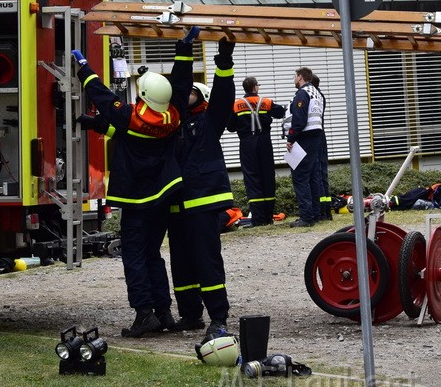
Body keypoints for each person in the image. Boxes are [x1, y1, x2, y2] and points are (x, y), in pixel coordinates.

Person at [71, 47, 189, 337]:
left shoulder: (130, 117)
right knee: (153, 255)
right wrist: (95, 125)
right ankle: (164, 312)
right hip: (161, 198)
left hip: (136, 201)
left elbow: (102, 96)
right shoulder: (172, 118)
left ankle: (144, 314)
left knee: (134, 256)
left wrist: (83, 68)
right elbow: (125, 135)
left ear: (144, 96)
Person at [168, 34, 237, 337]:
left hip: (203, 203)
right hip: (175, 204)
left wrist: (224, 60)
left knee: (206, 261)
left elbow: (223, 95)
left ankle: (218, 316)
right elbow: (178, 87)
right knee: (181, 263)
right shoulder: (172, 121)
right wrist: (183, 51)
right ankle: (190, 314)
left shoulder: (210, 121)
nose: (187, 95)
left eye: (194, 92)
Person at [227, 77, 286, 226]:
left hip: (247, 143)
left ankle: (258, 218)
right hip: (265, 142)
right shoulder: (266, 102)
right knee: (267, 176)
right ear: (255, 87)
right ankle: (268, 217)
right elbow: (280, 113)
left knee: (252, 178)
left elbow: (231, 127)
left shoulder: (236, 105)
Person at [285, 66, 325, 227]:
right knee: (313, 176)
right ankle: (315, 214)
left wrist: (291, 137)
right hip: (316, 136)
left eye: (295, 76)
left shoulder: (303, 93)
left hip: (304, 137)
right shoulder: (317, 93)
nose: (294, 79)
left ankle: (306, 217)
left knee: (300, 176)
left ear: (300, 77)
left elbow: (299, 118)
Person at [310, 74, 332, 220]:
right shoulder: (320, 96)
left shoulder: (314, 96)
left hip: (316, 139)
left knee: (318, 173)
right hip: (320, 137)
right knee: (322, 173)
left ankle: (322, 211)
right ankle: (326, 210)